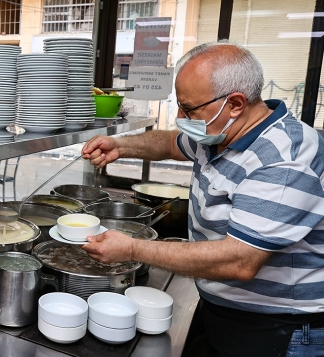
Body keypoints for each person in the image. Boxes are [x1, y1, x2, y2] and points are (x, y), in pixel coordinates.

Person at [81, 41, 324, 357]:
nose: (182, 116)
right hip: (229, 311)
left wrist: (131, 248)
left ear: (235, 103)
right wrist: (121, 145)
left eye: (189, 108)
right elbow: (170, 143)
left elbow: (240, 261)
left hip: (279, 329)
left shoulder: (283, 159)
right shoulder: (223, 134)